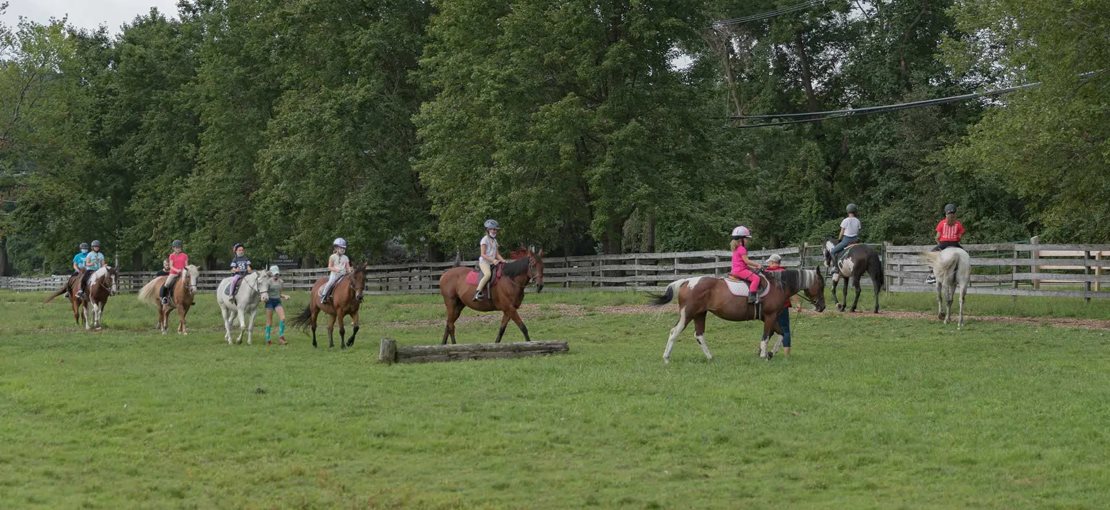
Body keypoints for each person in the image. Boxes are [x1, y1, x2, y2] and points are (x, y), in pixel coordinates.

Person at [763, 254, 799, 356]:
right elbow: (793, 291)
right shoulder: (785, 274)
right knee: (785, 329)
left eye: (769, 262)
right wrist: (798, 304)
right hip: (783, 305)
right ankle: (786, 355)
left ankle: (762, 350)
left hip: (768, 306)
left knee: (768, 327)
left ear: (773, 262)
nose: (769, 264)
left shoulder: (766, 273)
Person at [926, 203, 966, 284]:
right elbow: (959, 237)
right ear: (955, 213)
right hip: (955, 244)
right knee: (965, 256)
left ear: (945, 213)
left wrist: (939, 243)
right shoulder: (958, 224)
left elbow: (937, 237)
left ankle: (932, 275)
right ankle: (964, 273)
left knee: (930, 256)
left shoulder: (941, 223)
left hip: (943, 244)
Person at [728, 226, 761, 304]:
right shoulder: (742, 249)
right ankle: (752, 298)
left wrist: (752, 269)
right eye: (746, 238)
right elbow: (746, 261)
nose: (747, 240)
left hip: (736, 270)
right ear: (741, 239)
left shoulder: (736, 248)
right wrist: (757, 265)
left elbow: (742, 263)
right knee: (756, 278)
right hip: (740, 271)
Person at [474, 219, 506, 301]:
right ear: (488, 230)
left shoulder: (495, 241)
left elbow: (497, 254)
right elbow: (483, 254)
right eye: (493, 229)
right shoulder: (484, 240)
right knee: (488, 274)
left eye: (496, 230)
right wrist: (493, 260)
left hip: (492, 262)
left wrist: (503, 261)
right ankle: (478, 292)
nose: (495, 231)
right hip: (484, 262)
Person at [264, 265, 291, 345]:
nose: (276, 275)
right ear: (271, 273)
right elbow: (264, 293)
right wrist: (264, 299)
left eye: (277, 274)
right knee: (269, 322)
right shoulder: (268, 282)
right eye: (275, 274)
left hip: (277, 301)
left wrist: (285, 296)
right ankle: (268, 339)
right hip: (269, 302)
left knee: (283, 318)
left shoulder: (281, 282)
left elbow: (279, 294)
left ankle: (281, 338)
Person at [320, 238, 351, 304]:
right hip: (335, 274)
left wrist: (350, 271)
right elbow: (330, 267)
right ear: (336, 248)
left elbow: (347, 267)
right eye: (341, 247)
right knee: (330, 282)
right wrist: (336, 269)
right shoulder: (332, 257)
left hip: (343, 275)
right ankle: (323, 296)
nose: (343, 249)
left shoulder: (346, 257)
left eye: (344, 248)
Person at [161, 240, 189, 305]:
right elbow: (171, 266)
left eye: (179, 247)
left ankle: (189, 298)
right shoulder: (171, 256)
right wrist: (177, 270)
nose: (178, 249)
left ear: (181, 248)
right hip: (173, 273)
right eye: (176, 247)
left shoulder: (185, 255)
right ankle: (164, 298)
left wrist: (184, 271)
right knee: (167, 283)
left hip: (183, 273)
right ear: (173, 248)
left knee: (189, 284)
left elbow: (186, 265)